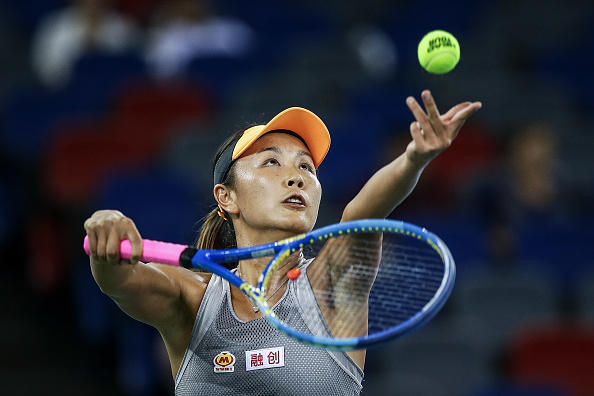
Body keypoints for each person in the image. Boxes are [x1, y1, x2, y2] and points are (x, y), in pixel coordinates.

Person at [84, 90, 481, 394]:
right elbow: (120, 280)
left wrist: (413, 159)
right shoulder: (192, 299)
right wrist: (107, 231)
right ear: (228, 197)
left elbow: (361, 216)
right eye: (271, 162)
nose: (297, 178)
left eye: (306, 167)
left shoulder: (330, 288)